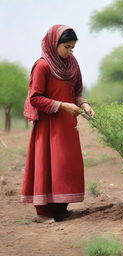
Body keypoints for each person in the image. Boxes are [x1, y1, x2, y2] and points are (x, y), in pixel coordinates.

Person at [21, 25, 94, 222]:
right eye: (66, 47)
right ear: (54, 44)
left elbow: (76, 93)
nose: (70, 52)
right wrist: (62, 105)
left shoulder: (72, 64)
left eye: (72, 48)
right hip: (48, 126)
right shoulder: (42, 66)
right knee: (47, 165)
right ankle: (43, 213)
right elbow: (35, 98)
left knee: (65, 165)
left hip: (68, 125)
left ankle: (61, 209)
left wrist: (85, 105)